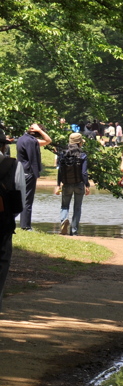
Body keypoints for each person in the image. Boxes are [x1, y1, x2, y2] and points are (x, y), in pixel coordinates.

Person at [0, 129, 26, 311]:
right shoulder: (13, 165)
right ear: (3, 146)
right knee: (2, 261)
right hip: (2, 224)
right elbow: (20, 200)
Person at [15, 122, 50, 231]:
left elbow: (47, 141)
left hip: (20, 171)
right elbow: (33, 159)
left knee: (20, 198)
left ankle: (20, 223)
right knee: (27, 200)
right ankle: (26, 226)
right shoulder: (31, 141)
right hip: (28, 172)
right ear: (36, 132)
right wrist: (35, 174)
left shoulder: (22, 139)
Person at [55, 133, 89, 235]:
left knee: (65, 206)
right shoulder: (83, 155)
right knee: (77, 208)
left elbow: (60, 171)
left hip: (66, 184)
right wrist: (87, 185)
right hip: (79, 184)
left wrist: (58, 185)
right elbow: (84, 173)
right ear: (80, 142)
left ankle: (64, 220)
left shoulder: (63, 154)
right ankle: (74, 231)